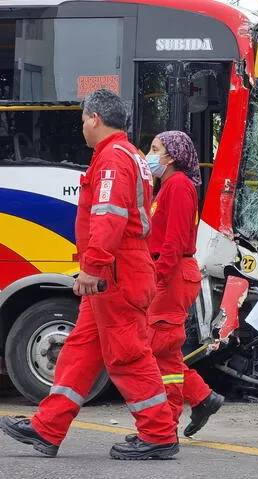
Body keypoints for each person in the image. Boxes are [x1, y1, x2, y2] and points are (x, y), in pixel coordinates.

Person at [0, 89, 178, 459]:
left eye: (83, 119)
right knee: (80, 352)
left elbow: (109, 217)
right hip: (122, 269)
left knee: (127, 355)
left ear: (95, 118)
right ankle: (48, 428)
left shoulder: (112, 158)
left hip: (116, 272)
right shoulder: (128, 154)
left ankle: (159, 434)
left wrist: (92, 268)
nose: (82, 126)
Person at [125, 131, 224, 442]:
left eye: (156, 149)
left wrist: (157, 278)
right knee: (164, 354)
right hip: (170, 274)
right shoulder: (169, 185)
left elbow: (175, 241)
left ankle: (163, 427)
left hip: (171, 275)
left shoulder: (178, 185)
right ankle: (201, 398)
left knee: (151, 354)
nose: (150, 154)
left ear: (171, 157)